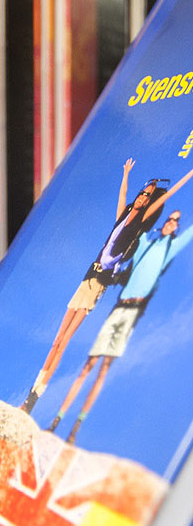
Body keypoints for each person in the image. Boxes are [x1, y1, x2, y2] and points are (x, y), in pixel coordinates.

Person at [21, 159, 193, 413]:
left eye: (148, 197)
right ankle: (32, 392)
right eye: (142, 193)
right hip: (87, 278)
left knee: (64, 341)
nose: (143, 198)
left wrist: (188, 175)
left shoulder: (140, 221)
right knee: (56, 339)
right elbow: (123, 195)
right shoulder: (123, 216)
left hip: (98, 285)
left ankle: (35, 397)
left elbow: (170, 193)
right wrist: (125, 174)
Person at [46, 208, 193, 444]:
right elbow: (141, 224)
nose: (171, 223)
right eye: (169, 219)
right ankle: (57, 420)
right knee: (88, 365)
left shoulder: (170, 249)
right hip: (120, 307)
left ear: (177, 228)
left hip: (132, 312)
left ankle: (75, 428)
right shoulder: (146, 243)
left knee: (104, 368)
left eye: (176, 221)